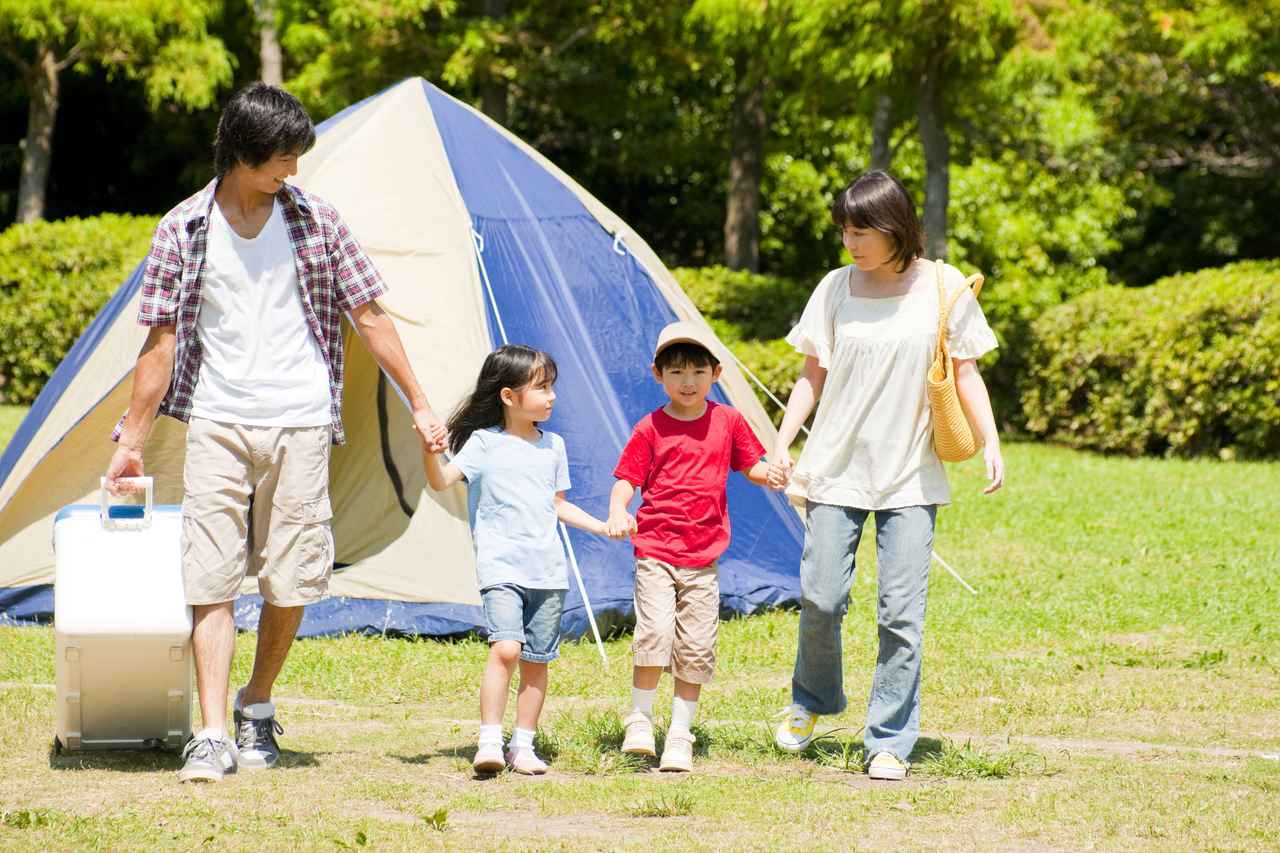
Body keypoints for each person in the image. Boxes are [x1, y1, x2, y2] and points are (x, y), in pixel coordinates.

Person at [103, 82, 448, 784]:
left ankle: (256, 702)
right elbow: (160, 344)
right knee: (211, 577)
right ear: (241, 153)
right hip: (217, 420)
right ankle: (209, 732)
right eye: (282, 158)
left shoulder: (318, 220)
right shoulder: (182, 228)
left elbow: (371, 317)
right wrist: (130, 439)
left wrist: (420, 401)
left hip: (301, 420)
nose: (292, 171)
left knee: (291, 578)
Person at [769, 170, 1004, 781]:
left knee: (901, 613)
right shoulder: (835, 287)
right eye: (844, 230)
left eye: (861, 229)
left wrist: (991, 444)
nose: (850, 242)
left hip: (910, 476)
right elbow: (810, 375)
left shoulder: (945, 287)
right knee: (822, 597)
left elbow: (968, 371)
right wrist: (781, 440)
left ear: (895, 226)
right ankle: (812, 701)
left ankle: (890, 739)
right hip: (835, 469)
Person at [423, 345, 618, 775]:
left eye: (552, 387)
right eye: (542, 387)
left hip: (548, 571)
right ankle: (490, 739)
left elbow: (557, 505)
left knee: (537, 661)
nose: (552, 397)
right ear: (509, 396)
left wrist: (602, 526)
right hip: (501, 566)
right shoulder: (482, 444)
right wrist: (430, 451)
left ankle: (522, 746)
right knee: (506, 648)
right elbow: (440, 481)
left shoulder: (554, 447)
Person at [606, 321, 779, 772]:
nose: (688, 381)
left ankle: (681, 732)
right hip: (656, 551)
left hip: (704, 557)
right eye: (677, 371)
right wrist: (619, 510)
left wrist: (774, 476)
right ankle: (640, 719)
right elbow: (627, 478)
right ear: (657, 374)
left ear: (716, 374)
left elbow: (752, 466)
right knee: (656, 633)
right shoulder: (651, 428)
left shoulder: (729, 421)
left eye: (698, 371)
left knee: (697, 645)